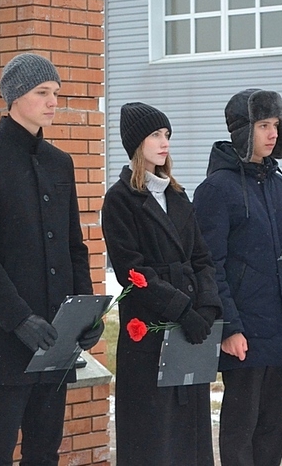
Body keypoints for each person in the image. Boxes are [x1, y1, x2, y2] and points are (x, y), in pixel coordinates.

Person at [0, 53, 103, 465]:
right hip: (3, 343)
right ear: (16, 96)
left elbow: (75, 247)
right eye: (43, 92)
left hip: (54, 341)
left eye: (55, 92)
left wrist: (85, 313)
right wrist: (19, 318)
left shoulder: (60, 162)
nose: (53, 101)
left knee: (44, 451)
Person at [193, 89, 282, 466]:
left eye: (275, 125)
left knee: (273, 429)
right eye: (263, 125)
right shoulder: (215, 190)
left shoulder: (281, 186)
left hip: (279, 327)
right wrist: (229, 328)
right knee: (242, 429)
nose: (272, 133)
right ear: (242, 130)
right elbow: (209, 266)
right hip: (244, 332)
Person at [101, 102, 223, 466]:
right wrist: (182, 310)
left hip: (190, 331)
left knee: (191, 435)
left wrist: (206, 307)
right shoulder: (120, 200)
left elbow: (202, 258)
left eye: (167, 134)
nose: (164, 142)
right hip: (149, 332)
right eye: (155, 134)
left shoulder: (177, 194)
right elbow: (132, 271)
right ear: (136, 143)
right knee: (152, 436)